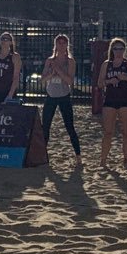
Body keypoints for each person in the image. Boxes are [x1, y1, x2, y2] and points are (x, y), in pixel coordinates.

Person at [98, 38, 127, 167]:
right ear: (112, 50)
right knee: (108, 131)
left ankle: (126, 160)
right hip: (110, 98)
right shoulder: (107, 64)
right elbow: (99, 83)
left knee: (126, 131)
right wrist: (109, 81)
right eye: (116, 49)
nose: (118, 52)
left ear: (124, 50)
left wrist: (126, 77)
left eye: (121, 49)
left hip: (125, 99)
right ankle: (103, 159)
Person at [41, 34, 82, 164]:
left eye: (64, 43)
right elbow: (43, 79)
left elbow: (70, 81)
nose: (61, 45)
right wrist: (52, 73)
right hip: (51, 96)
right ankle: (42, 154)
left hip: (64, 96)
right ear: (55, 45)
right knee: (45, 126)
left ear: (67, 45)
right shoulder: (49, 60)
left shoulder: (70, 61)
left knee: (69, 126)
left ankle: (78, 155)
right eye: (59, 43)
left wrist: (58, 69)